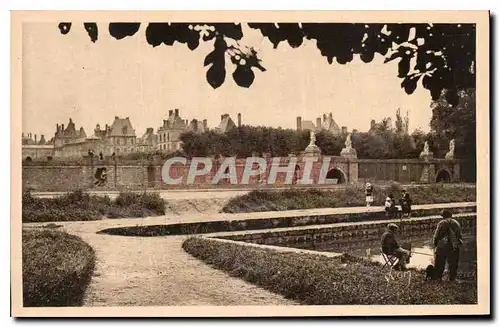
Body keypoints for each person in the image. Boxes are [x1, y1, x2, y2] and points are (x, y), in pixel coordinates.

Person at [432, 209, 463, 281]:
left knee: (440, 263)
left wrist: (435, 244)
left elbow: (436, 235)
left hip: (442, 246)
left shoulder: (442, 223)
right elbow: (459, 236)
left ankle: (438, 278)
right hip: (454, 246)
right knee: (453, 264)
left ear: (443, 216)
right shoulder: (456, 222)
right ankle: (452, 279)